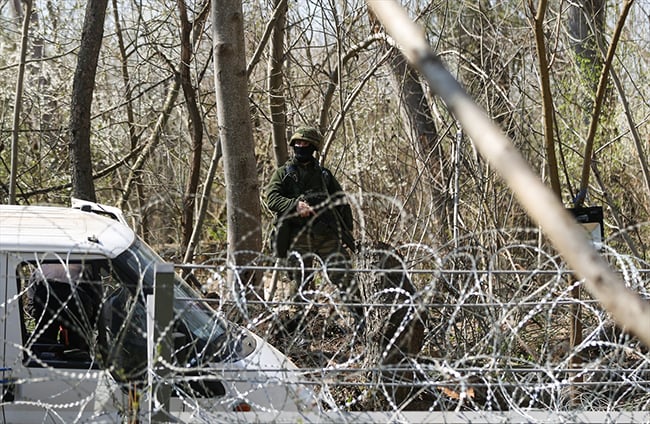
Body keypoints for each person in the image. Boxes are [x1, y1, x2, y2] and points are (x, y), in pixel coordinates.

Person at [265, 126, 356, 298]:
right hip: (297, 236)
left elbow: (341, 203)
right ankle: (296, 321)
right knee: (299, 283)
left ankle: (360, 319)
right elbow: (272, 199)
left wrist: (345, 231)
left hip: (325, 234)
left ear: (313, 147)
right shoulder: (283, 173)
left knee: (345, 277)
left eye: (305, 143)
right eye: (298, 142)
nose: (300, 146)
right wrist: (295, 205)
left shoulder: (324, 176)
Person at [26, 263, 101, 351]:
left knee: (45, 341)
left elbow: (31, 300)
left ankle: (45, 355)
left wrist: (37, 315)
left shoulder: (42, 267)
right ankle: (78, 356)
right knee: (78, 344)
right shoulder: (85, 265)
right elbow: (96, 298)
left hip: (47, 297)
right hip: (76, 299)